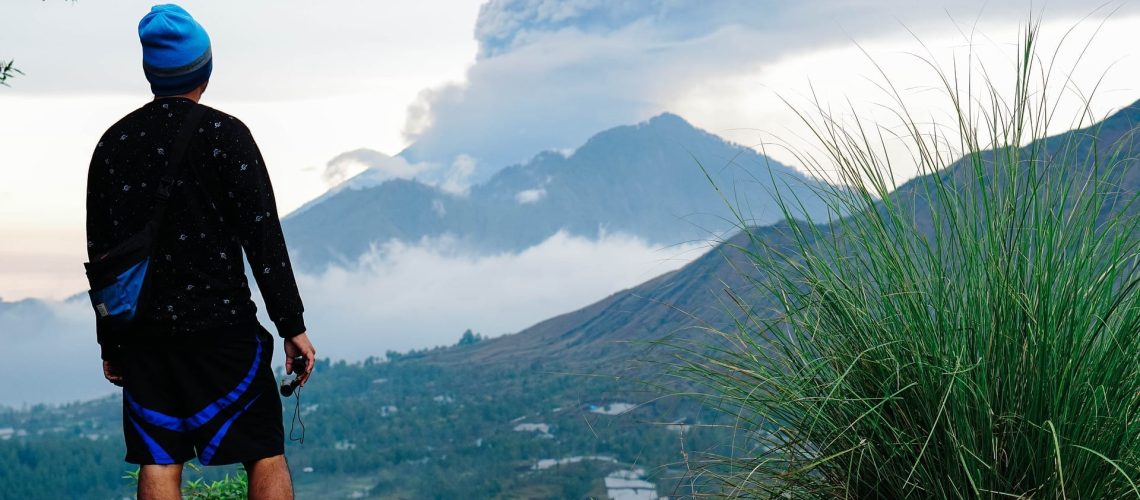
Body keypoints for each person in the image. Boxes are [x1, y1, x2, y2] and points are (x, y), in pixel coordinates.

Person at [85, 5, 316, 499]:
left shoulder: (113, 144)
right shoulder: (227, 136)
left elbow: (101, 259)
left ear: (151, 72)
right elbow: (263, 239)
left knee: (159, 458)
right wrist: (291, 326)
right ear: (204, 69)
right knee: (264, 452)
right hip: (223, 332)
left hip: (145, 336)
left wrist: (112, 343)